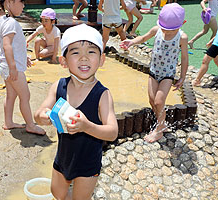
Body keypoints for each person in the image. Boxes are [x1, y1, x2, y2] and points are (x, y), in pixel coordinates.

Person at [34, 24, 118, 199]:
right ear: (63, 61)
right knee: (57, 193)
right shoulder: (59, 86)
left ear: (102, 59)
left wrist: (86, 126)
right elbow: (39, 113)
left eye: (91, 52)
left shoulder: (102, 94)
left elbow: (112, 133)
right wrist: (43, 116)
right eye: (75, 52)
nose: (84, 58)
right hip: (63, 157)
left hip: (88, 164)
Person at [120, 3, 188, 143]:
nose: (166, 32)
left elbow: (184, 57)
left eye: (170, 30)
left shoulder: (182, 37)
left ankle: (159, 130)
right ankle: (161, 122)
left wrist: (182, 77)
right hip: (153, 71)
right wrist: (131, 42)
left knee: (159, 101)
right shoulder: (156, 29)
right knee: (152, 100)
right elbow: (143, 38)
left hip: (167, 75)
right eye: (165, 29)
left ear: (183, 24)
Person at [0, 0, 45, 135]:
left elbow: (7, 44)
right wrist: (13, 67)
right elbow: (7, 45)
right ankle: (30, 125)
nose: (23, 5)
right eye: (21, 2)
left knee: (11, 95)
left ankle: (8, 122)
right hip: (13, 68)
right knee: (25, 95)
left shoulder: (1, 19)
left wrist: (24, 58)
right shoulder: (11, 22)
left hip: (6, 65)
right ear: (9, 2)